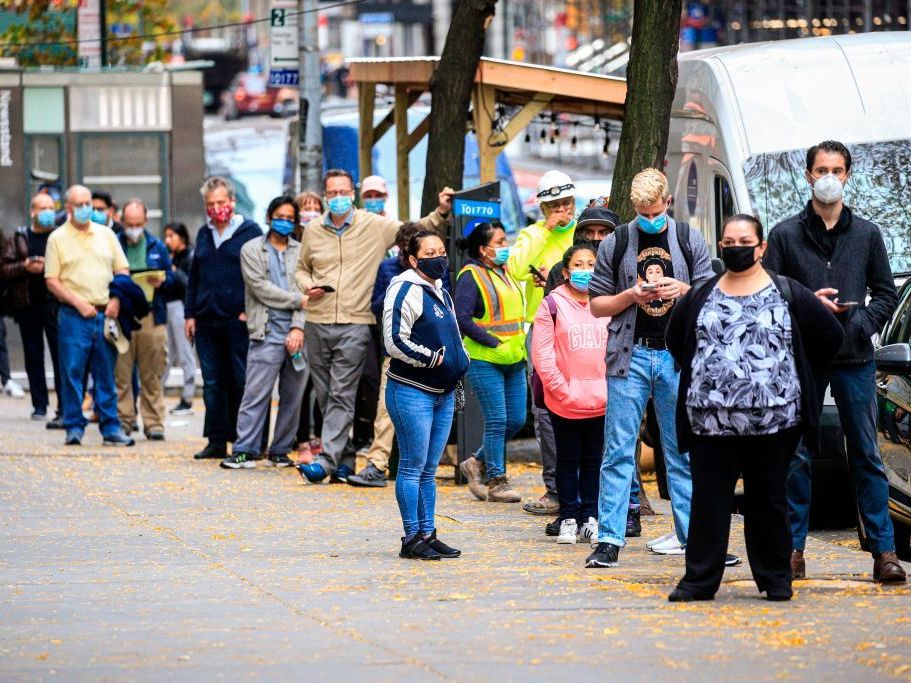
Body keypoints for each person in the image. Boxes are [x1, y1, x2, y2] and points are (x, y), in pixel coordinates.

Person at [665, 214, 843, 602]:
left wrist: (792, 373)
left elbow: (829, 335)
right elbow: (677, 340)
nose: (736, 248)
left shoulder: (787, 292)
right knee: (710, 503)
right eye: (728, 242)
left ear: (761, 247)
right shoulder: (700, 294)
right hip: (710, 423)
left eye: (744, 241)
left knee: (769, 501)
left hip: (773, 424)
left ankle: (775, 578)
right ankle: (698, 580)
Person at [763, 140, 907, 584]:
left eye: (837, 169)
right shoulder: (785, 234)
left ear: (847, 175)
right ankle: (793, 549)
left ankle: (884, 552)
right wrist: (807, 307)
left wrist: (859, 324)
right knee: (797, 455)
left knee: (866, 453)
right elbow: (768, 291)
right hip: (803, 357)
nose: (828, 176)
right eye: (821, 168)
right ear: (808, 175)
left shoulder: (867, 234)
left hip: (854, 355)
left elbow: (885, 292)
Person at [585, 168, 714, 569]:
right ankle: (609, 539)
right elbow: (596, 304)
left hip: (677, 358)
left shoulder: (689, 238)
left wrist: (684, 290)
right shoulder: (618, 241)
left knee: (683, 452)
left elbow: (713, 297)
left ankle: (694, 539)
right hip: (630, 357)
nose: (650, 219)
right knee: (618, 450)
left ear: (667, 204)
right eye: (643, 212)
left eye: (655, 212)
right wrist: (629, 295)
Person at [294, 168, 453, 484]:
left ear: (352, 193)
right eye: (332, 193)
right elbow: (301, 269)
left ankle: (325, 461)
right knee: (325, 395)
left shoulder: (372, 224)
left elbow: (415, 231)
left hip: (355, 322)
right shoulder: (312, 230)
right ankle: (344, 459)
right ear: (325, 196)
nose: (338, 198)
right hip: (317, 320)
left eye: (343, 192)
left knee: (340, 393)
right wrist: (307, 285)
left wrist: (441, 212)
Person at [382, 230, 469, 559]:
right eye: (430, 253)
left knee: (429, 470)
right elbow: (394, 341)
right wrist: (433, 359)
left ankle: (428, 532)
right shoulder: (405, 289)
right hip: (412, 391)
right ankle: (411, 537)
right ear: (414, 259)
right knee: (411, 466)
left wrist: (460, 361)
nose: (439, 258)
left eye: (442, 251)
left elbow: (453, 336)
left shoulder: (441, 291)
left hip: (443, 393)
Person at [507, 170, 578, 517]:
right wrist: (546, 230)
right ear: (544, 207)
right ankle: (555, 487)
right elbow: (517, 269)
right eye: (555, 206)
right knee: (545, 409)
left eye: (567, 203)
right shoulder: (531, 234)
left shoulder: (582, 233)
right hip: (543, 326)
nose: (563, 211)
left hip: (583, 326)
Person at [43, 185, 135, 447]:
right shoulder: (57, 239)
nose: (87, 209)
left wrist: (116, 300)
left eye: (90, 205)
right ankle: (73, 426)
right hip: (73, 315)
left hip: (106, 313)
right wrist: (78, 302)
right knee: (72, 372)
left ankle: (111, 428)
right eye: (81, 205)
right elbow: (51, 279)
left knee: (106, 372)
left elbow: (122, 271)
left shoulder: (106, 234)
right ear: (69, 209)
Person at [224, 195, 308, 469]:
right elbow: (260, 289)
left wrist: (298, 325)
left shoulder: (302, 250)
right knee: (256, 393)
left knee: (293, 395)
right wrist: (297, 301)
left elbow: (308, 290)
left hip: (299, 331)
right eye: (279, 217)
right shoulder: (251, 249)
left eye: (289, 218)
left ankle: (280, 450)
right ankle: (245, 449)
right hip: (266, 329)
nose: (284, 222)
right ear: (269, 217)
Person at [532, 242, 608, 545]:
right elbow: (543, 354)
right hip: (564, 401)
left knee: (594, 460)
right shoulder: (552, 304)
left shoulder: (606, 303)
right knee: (567, 459)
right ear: (565, 271)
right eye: (578, 265)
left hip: (601, 399)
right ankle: (568, 517)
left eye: (591, 264)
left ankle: (590, 517)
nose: (585, 271)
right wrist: (561, 390)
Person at [348, 222, 433, 488]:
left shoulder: (433, 272)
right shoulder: (388, 269)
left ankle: (423, 467)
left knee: (425, 411)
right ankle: (377, 464)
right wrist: (396, 287)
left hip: (428, 353)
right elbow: (375, 306)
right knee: (385, 410)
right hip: (395, 351)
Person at [185, 176, 262, 461]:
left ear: (231, 201)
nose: (216, 208)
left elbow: (259, 275)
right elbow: (195, 276)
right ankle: (216, 440)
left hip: (237, 320)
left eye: (220, 202)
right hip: (206, 320)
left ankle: (247, 441)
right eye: (210, 203)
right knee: (213, 383)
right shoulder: (204, 234)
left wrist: (248, 310)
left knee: (241, 381)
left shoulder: (250, 231)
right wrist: (189, 313)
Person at [455, 220, 527, 503]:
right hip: (486, 358)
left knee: (517, 419)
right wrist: (492, 341)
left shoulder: (505, 272)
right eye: (499, 243)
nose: (505, 246)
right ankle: (497, 480)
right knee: (497, 420)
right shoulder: (470, 275)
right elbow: (462, 318)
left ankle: (475, 462)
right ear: (483, 249)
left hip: (514, 357)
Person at [0, 192, 63, 424]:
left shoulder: (60, 236)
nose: (47, 212)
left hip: (55, 303)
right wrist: (25, 266)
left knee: (60, 355)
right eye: (42, 208)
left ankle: (64, 406)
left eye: (51, 208)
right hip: (27, 304)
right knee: (33, 355)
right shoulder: (19, 237)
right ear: (32, 211)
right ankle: (39, 404)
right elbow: (4, 268)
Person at [114, 199, 172, 441]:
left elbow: (174, 280)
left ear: (145, 221)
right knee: (121, 372)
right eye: (129, 224)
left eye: (138, 223)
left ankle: (154, 422)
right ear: (122, 221)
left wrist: (163, 281)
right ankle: (124, 420)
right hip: (123, 316)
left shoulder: (156, 246)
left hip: (151, 314)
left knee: (152, 373)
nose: (134, 228)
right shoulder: (114, 244)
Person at [293, 190, 323, 457]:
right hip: (297, 317)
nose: (310, 212)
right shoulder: (293, 245)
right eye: (305, 207)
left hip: (320, 317)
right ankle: (301, 438)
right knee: (301, 384)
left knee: (321, 383)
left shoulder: (323, 241)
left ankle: (320, 435)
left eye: (315, 207)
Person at [544, 202, 619, 294]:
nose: (596, 238)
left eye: (603, 233)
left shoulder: (623, 267)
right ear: (579, 235)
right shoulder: (560, 270)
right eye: (589, 232)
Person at [162, 222, 196, 415]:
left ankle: (187, 397)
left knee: (185, 353)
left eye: (171, 236)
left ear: (181, 237)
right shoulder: (169, 256)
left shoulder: (190, 256)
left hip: (181, 309)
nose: (168, 240)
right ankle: (157, 392)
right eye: (166, 236)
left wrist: (175, 272)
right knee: (167, 354)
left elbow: (190, 285)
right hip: (168, 307)